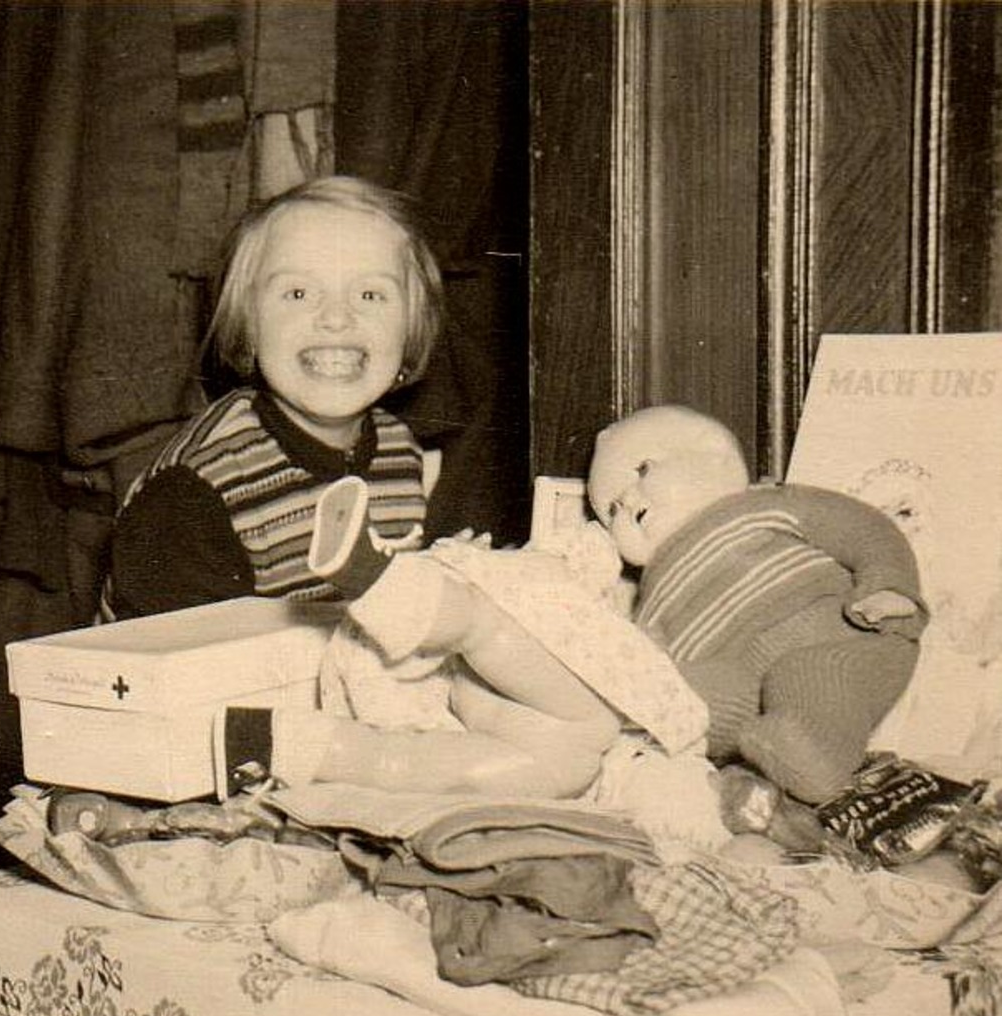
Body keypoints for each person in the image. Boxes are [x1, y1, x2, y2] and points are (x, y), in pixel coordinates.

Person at [313, 404, 928, 806]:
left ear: (714, 454)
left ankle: (811, 751)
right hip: (721, 683)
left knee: (814, 678)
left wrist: (887, 585)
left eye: (641, 469)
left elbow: (866, 529)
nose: (626, 500)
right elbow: (635, 668)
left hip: (831, 632)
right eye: (610, 508)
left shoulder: (766, 506)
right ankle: (427, 606)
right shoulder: (645, 584)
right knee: (670, 706)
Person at [99, 175, 443, 621]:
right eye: (297, 293)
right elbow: (175, 674)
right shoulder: (192, 493)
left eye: (370, 294)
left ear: (411, 329)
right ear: (250, 326)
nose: (337, 318)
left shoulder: (400, 449)